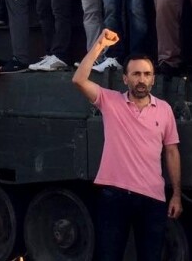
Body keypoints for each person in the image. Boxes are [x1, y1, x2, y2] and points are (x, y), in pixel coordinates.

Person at [72, 29, 181, 260]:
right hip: (114, 196)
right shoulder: (110, 101)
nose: (141, 79)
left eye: (147, 74)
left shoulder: (165, 109)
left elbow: (172, 152)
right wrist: (100, 45)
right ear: (125, 78)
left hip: (153, 198)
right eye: (136, 74)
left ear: (153, 78)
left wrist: (177, 195)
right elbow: (79, 79)